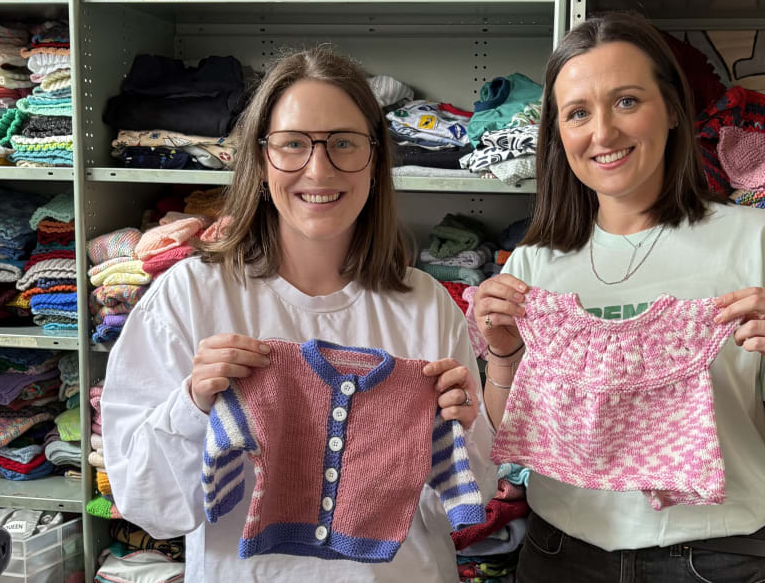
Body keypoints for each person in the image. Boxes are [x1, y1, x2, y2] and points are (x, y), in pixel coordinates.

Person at [471, 12, 765, 582]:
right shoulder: (534, 264)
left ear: (672, 108)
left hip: (718, 558)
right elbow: (520, 431)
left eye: (626, 101)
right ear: (559, 133)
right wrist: (504, 357)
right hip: (560, 554)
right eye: (577, 113)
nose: (603, 133)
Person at [101, 47, 495, 582]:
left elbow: (457, 511)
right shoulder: (188, 296)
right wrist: (193, 405)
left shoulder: (426, 304)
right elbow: (149, 507)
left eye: (344, 143)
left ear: (375, 159)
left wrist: (460, 432)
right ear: (261, 160)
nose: (319, 168)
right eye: (292, 144)